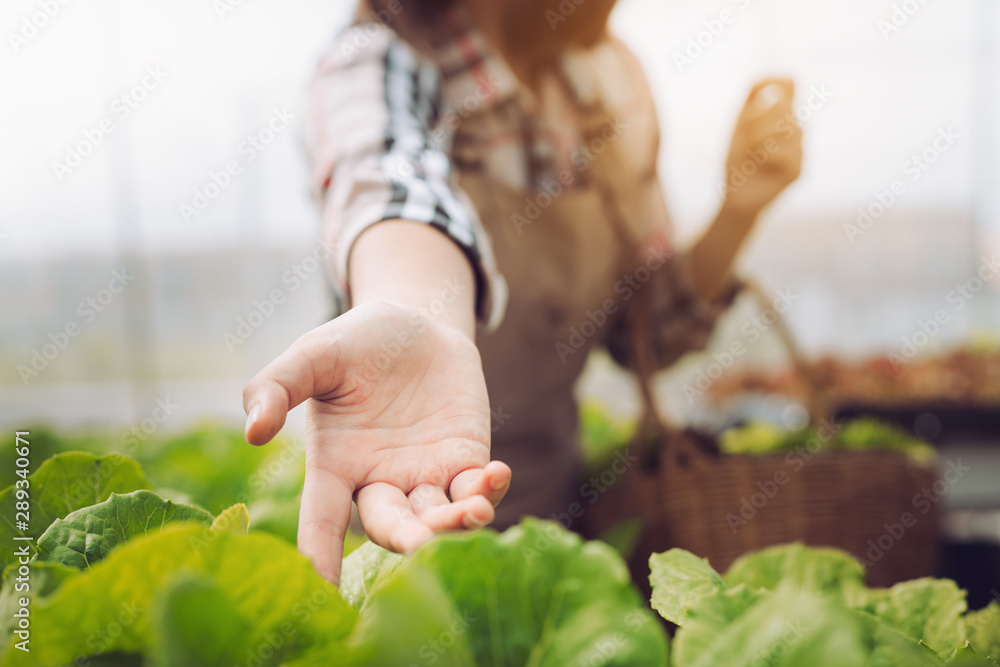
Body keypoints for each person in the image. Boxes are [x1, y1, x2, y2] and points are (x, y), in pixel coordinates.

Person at [242, 0, 802, 585]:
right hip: (401, 541)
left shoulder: (611, 80)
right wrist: (414, 311)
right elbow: (393, 189)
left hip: (563, 536)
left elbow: (651, 335)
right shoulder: (374, 60)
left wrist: (740, 208)